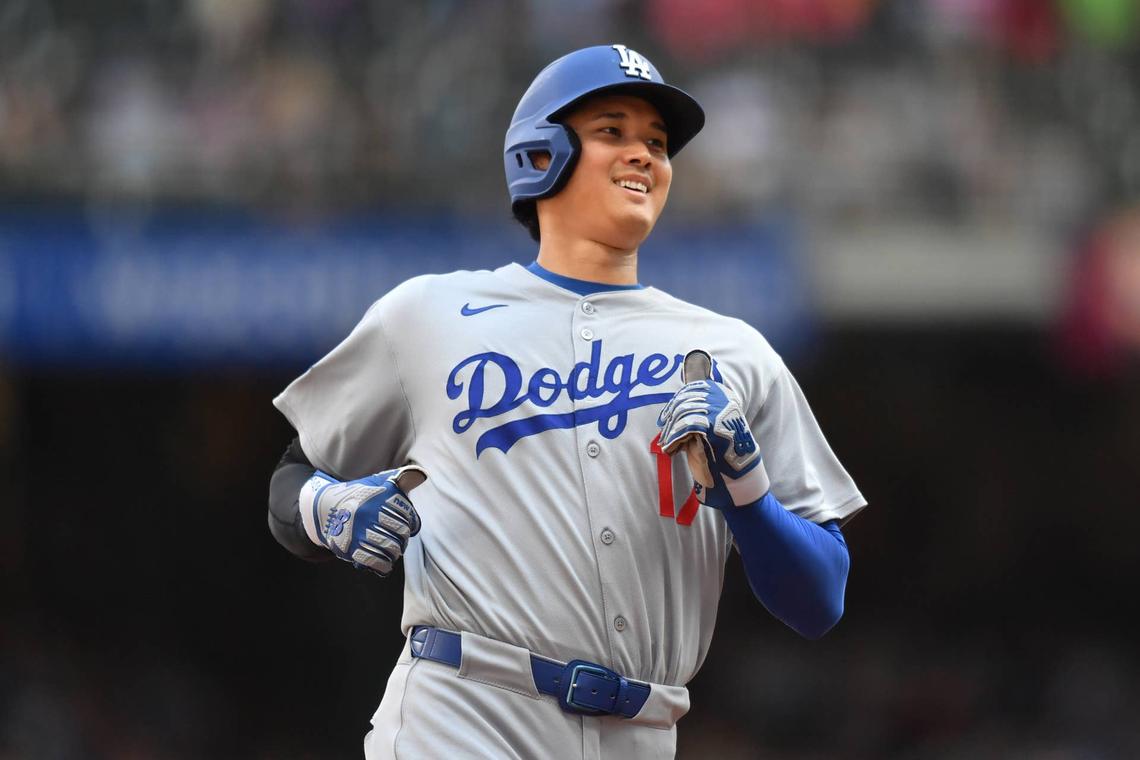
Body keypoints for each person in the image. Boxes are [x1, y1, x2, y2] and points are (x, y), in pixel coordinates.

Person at [267, 43, 866, 759]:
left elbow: (820, 599)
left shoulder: (731, 352)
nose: (644, 154)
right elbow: (289, 480)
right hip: (466, 712)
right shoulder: (429, 315)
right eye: (613, 131)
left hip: (642, 729)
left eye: (657, 142)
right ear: (540, 154)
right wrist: (325, 510)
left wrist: (749, 494)